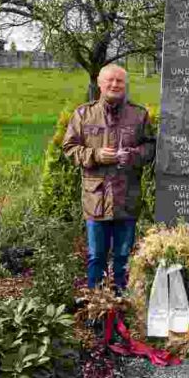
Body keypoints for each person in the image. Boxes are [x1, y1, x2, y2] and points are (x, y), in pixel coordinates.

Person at [62, 64, 155, 292]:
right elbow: (69, 148)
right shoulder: (84, 114)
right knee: (96, 256)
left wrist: (132, 156)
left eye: (119, 81)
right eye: (110, 81)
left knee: (124, 257)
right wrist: (96, 155)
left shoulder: (139, 115)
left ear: (125, 86)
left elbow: (151, 147)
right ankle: (97, 307)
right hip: (97, 199)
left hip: (127, 198)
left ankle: (121, 303)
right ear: (100, 85)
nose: (115, 85)